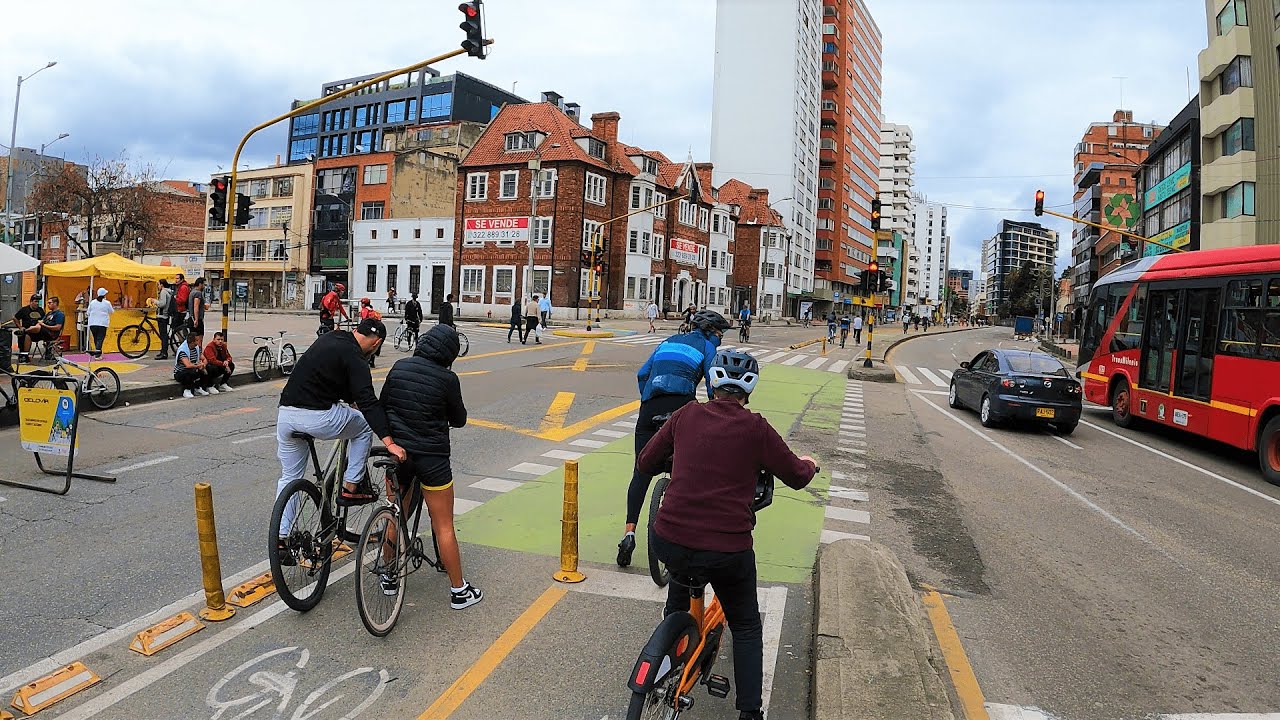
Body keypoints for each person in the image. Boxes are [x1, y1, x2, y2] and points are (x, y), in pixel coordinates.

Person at [637, 349, 817, 720]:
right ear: (748, 390)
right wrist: (811, 464)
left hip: (668, 538)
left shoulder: (685, 415)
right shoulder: (755, 428)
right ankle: (750, 713)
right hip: (727, 550)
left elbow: (646, 463)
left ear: (711, 382)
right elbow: (797, 477)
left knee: (682, 581)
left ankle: (674, 645)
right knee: (747, 625)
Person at [275, 318, 405, 558]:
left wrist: (350, 399)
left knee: (290, 477)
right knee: (364, 426)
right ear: (376, 344)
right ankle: (350, 487)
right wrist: (389, 442)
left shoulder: (331, 338)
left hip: (286, 415)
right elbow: (367, 401)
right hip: (316, 417)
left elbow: (331, 376)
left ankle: (280, 539)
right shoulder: (356, 357)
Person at [379, 323, 483, 609]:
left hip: (398, 454)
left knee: (394, 515)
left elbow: (384, 403)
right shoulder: (447, 379)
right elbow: (459, 418)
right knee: (443, 525)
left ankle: (388, 577)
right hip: (432, 459)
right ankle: (459, 591)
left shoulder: (399, 367)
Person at [616, 309, 729, 567]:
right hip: (681, 408)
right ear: (711, 332)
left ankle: (629, 534)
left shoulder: (666, 342)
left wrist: (649, 399)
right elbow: (713, 385)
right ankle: (685, 533)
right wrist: (714, 409)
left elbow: (642, 374)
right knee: (686, 471)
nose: (720, 338)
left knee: (640, 472)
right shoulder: (707, 347)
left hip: (650, 408)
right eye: (720, 334)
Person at [174, 331, 215, 398]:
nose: (199, 342)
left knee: (209, 368)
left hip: (194, 368)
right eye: (197, 340)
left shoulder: (197, 348)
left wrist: (203, 365)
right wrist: (199, 366)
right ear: (192, 342)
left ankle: (199, 388)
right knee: (191, 372)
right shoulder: (183, 350)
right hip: (181, 372)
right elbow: (188, 365)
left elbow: (204, 359)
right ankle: (187, 390)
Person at [87, 288, 114, 358]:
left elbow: (88, 312)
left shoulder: (92, 302)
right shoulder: (107, 303)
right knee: (100, 339)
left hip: (92, 323)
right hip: (102, 323)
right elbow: (112, 311)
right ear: (104, 295)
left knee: (96, 339)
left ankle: (98, 352)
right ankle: (97, 355)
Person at [156, 279, 175, 360]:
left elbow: (162, 303)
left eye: (158, 285)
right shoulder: (168, 291)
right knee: (164, 335)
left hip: (163, 316)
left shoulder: (164, 292)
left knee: (163, 336)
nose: (158, 286)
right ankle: (163, 351)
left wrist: (155, 301)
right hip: (165, 316)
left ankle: (164, 353)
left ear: (162, 285)